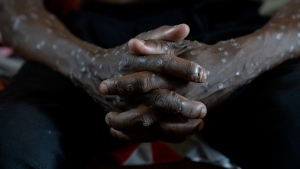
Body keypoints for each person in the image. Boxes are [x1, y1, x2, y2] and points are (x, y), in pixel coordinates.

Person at [0, 0, 299, 169]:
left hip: (241, 34)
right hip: (81, 40)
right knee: (12, 142)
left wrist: (236, 62)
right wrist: (87, 65)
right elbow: (13, 9)